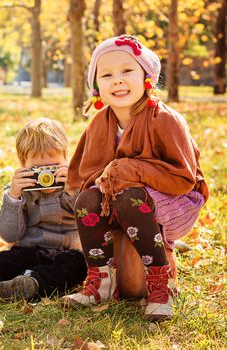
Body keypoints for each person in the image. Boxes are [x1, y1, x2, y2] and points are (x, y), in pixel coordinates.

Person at [62, 35, 209, 321]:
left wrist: (130, 170)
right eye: (106, 75)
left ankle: (160, 283)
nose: (117, 80)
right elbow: (86, 173)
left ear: (147, 76)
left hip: (175, 198)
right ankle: (101, 281)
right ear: (97, 87)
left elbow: (183, 178)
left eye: (127, 71)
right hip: (122, 198)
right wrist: (105, 182)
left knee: (130, 196)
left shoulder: (165, 119)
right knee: (88, 199)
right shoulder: (99, 124)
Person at [0, 118, 87, 300]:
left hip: (65, 252)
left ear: (66, 160)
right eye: (38, 169)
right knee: (2, 261)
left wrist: (73, 190)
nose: (46, 176)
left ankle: (30, 283)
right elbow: (9, 236)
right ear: (23, 166)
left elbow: (89, 221)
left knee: (72, 267)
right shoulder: (20, 193)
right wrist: (14, 198)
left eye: (52, 167)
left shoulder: (75, 185)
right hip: (27, 249)